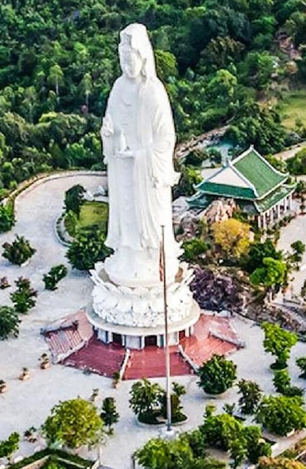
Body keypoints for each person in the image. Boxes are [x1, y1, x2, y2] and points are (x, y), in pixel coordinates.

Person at [101, 23, 180, 288]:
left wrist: (140, 155)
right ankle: (128, 257)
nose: (127, 64)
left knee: (149, 218)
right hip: (123, 168)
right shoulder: (118, 87)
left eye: (131, 58)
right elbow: (110, 125)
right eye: (123, 59)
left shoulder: (153, 91)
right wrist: (109, 135)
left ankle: (150, 259)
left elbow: (166, 137)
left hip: (146, 171)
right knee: (126, 215)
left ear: (143, 57)